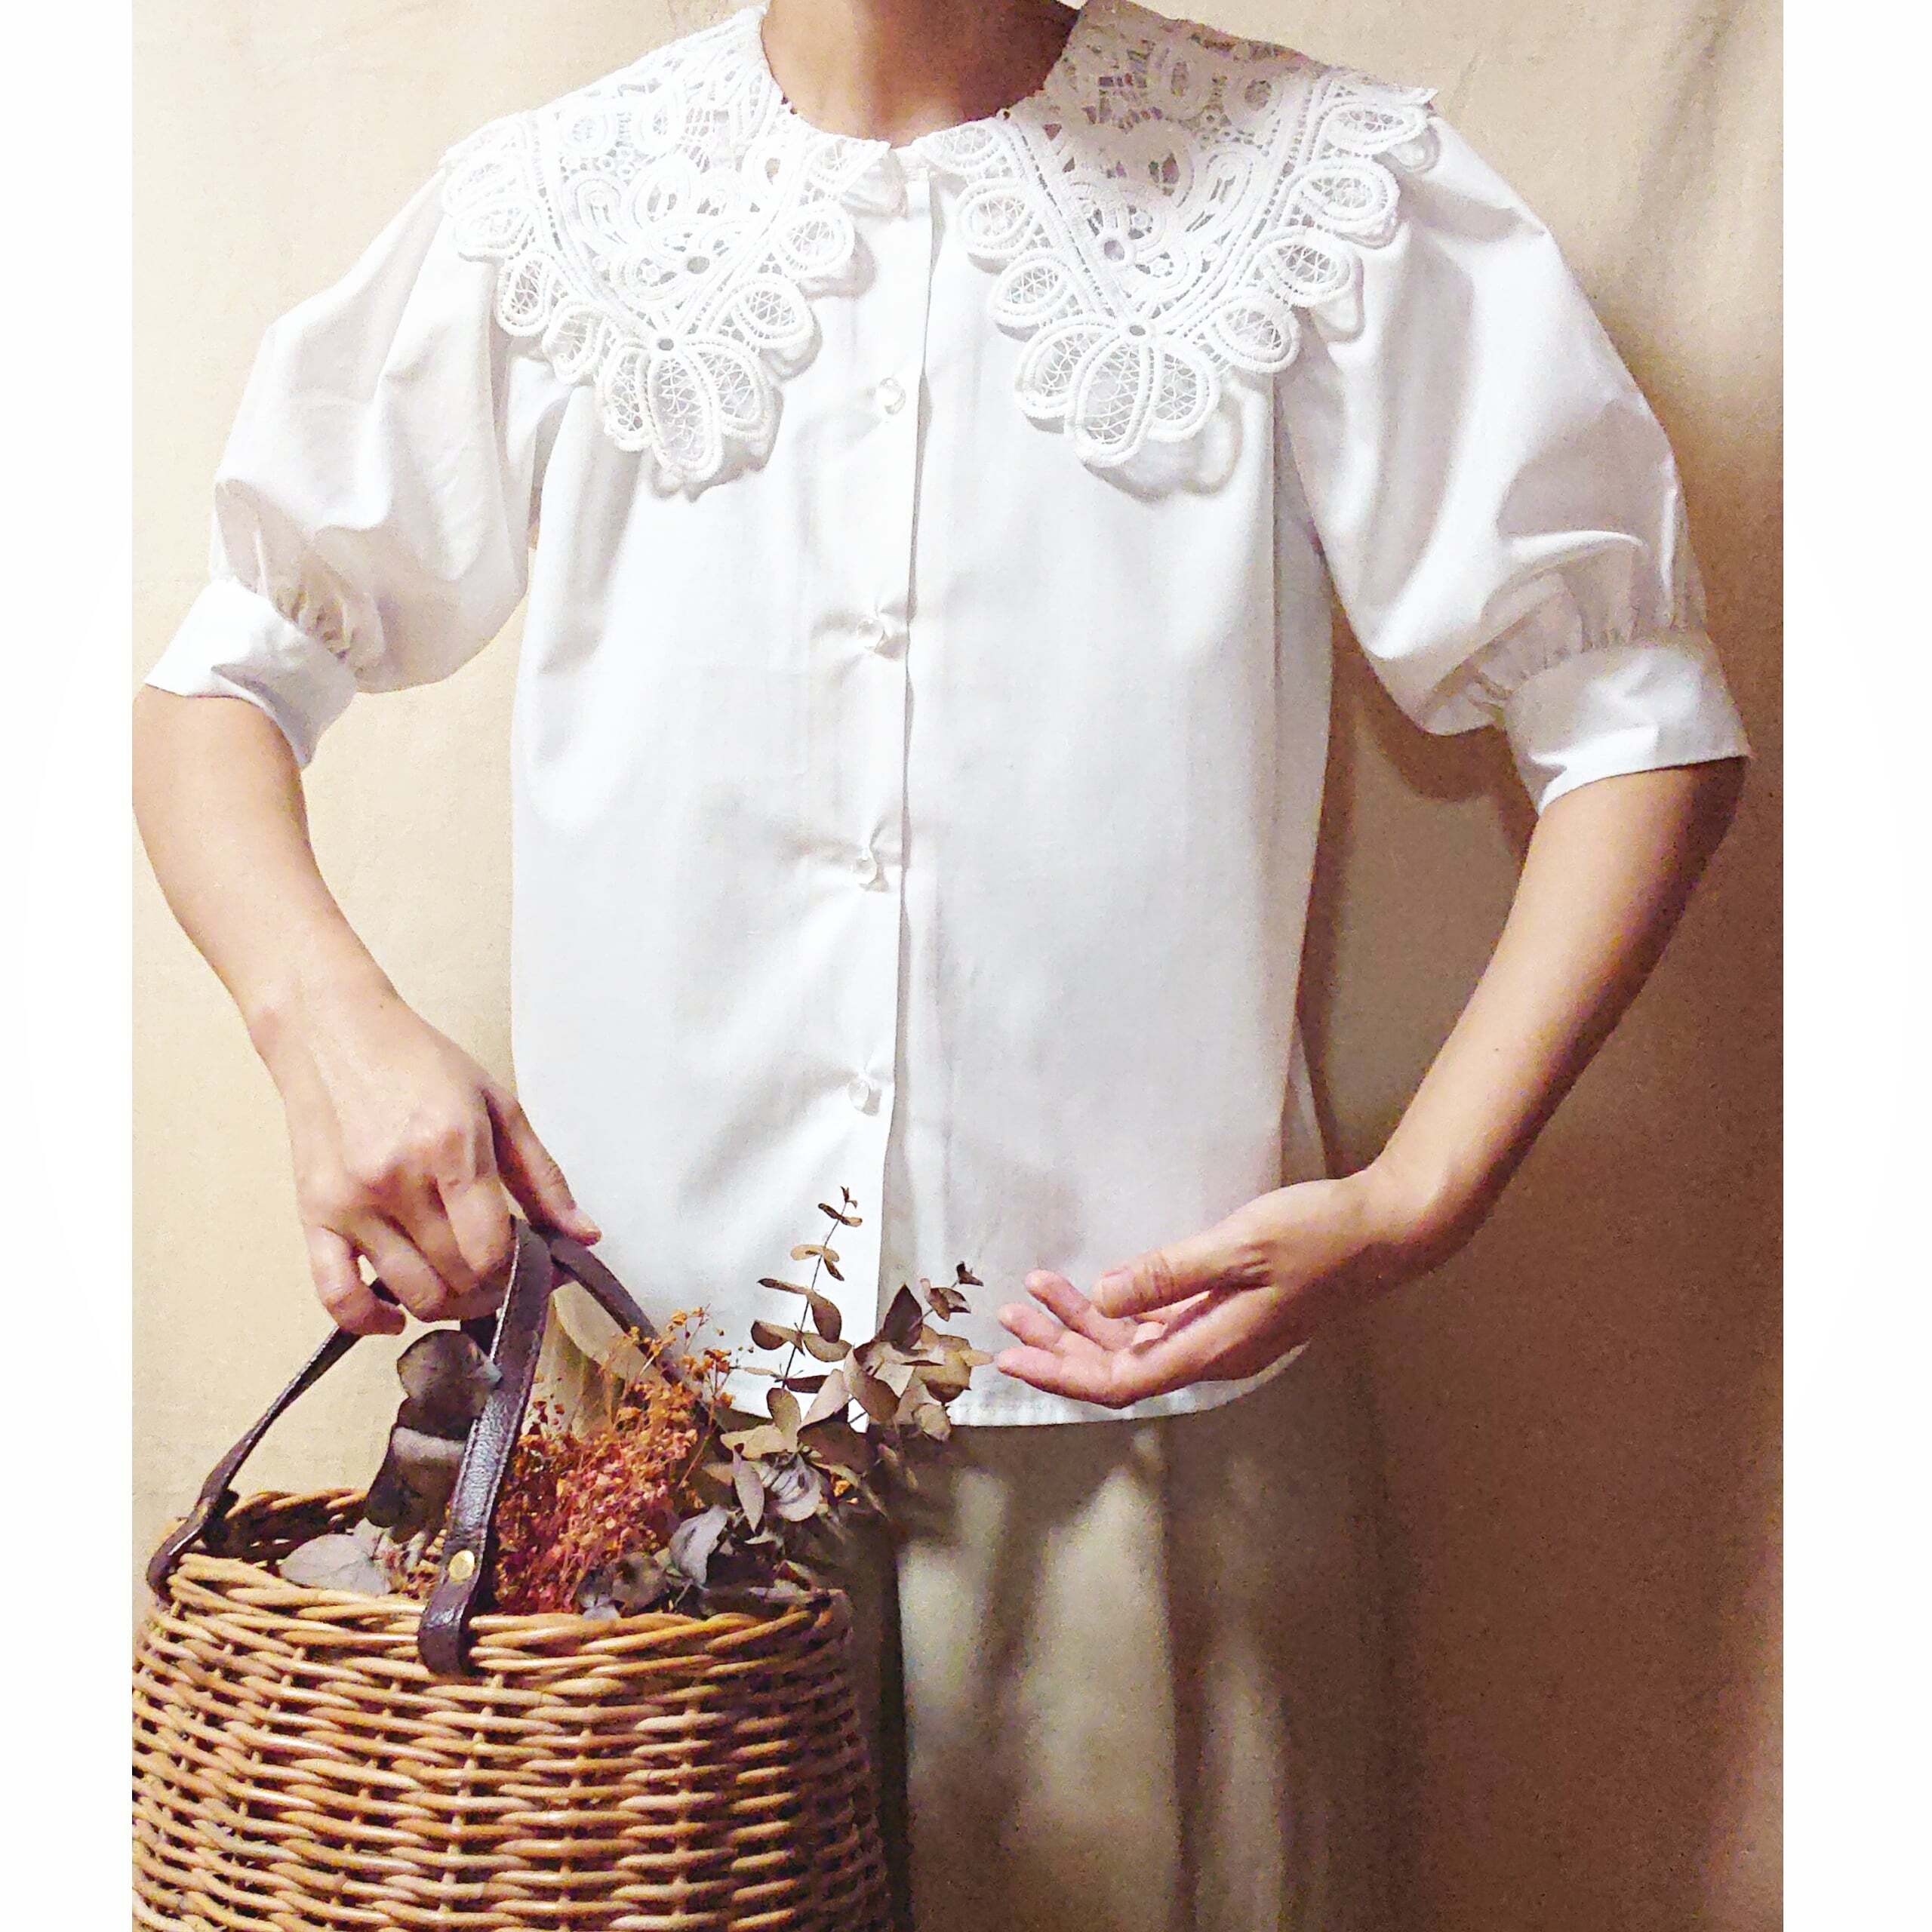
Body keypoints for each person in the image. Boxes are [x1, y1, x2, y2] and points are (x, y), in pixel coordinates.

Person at [133, 2, 1753, 1926]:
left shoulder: (1323, 200)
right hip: (633, 1457)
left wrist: (1420, 1192)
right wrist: (325, 1023)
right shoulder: (552, 214)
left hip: (1140, 1440)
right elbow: (224, 674)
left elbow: (1633, 713)